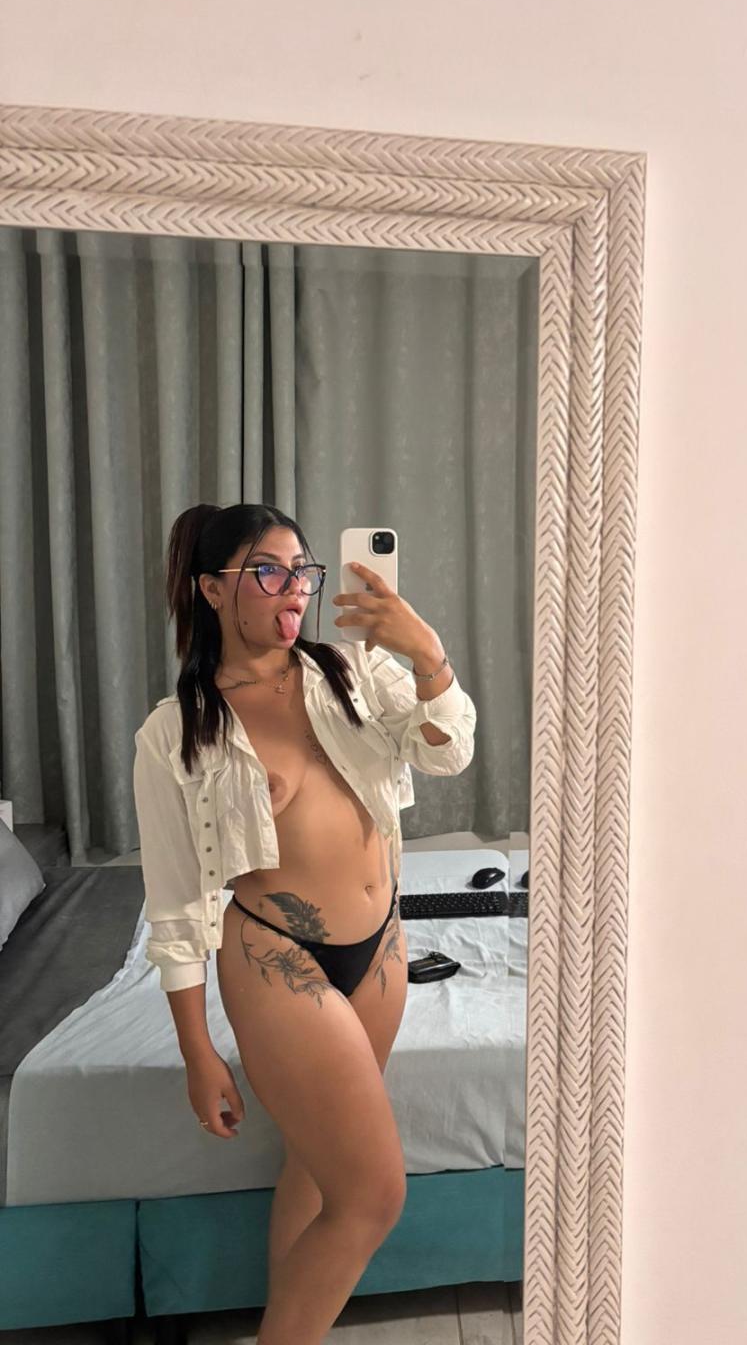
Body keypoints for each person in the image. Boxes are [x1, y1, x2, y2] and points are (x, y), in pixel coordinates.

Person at [132, 502, 476, 1345]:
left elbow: (447, 752)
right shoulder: (177, 731)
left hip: (381, 944)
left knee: (319, 1169)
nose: (295, 589)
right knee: (374, 1196)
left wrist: (426, 654)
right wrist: (197, 1051)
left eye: (303, 572)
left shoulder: (354, 672)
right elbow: (177, 905)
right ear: (212, 588)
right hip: (278, 958)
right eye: (269, 571)